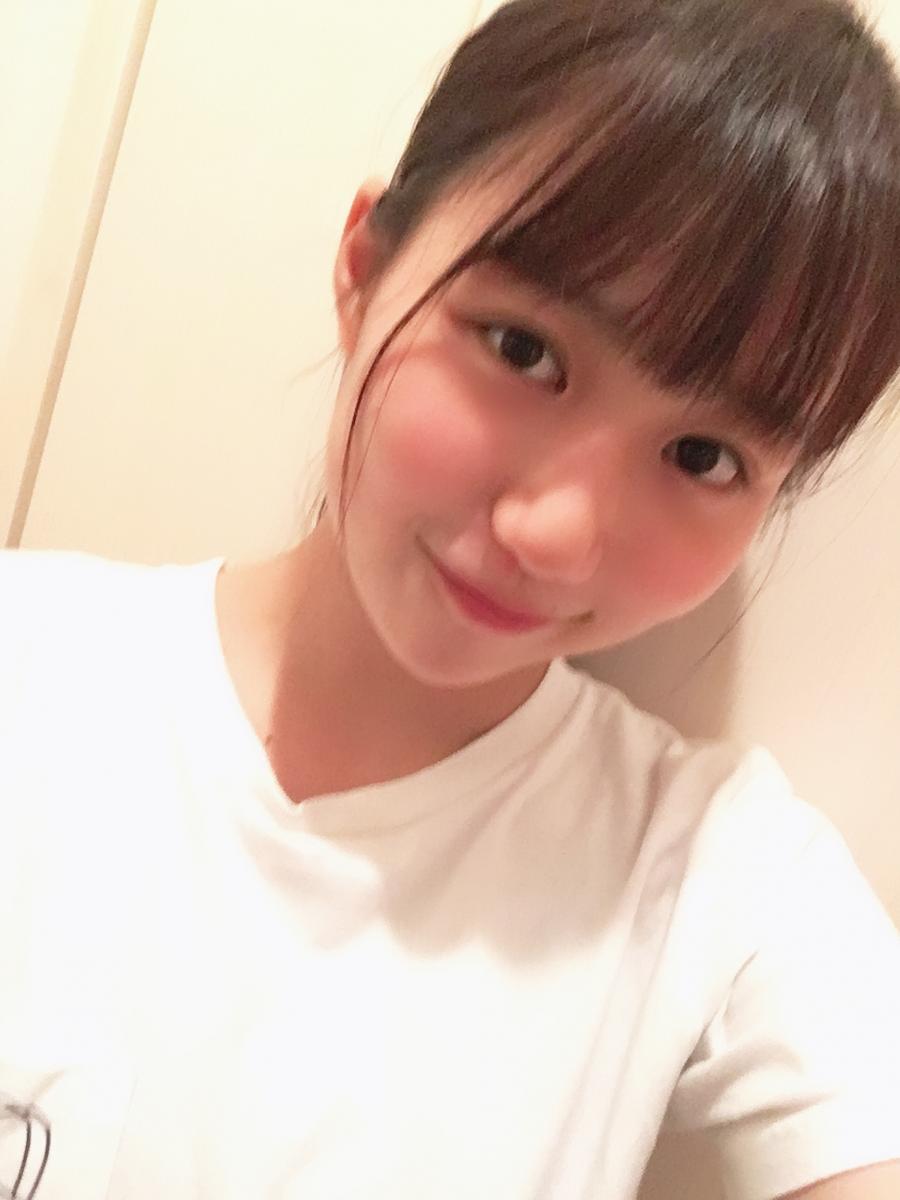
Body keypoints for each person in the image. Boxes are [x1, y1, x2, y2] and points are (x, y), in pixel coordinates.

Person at [2, 0, 899, 1196]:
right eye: (523, 349)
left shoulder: (717, 875)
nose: (553, 537)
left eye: (703, 456)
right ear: (364, 270)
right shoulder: (27, 665)